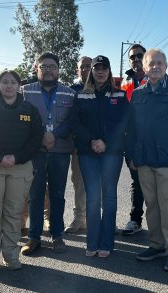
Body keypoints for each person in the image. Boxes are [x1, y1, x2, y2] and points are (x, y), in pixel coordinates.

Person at [127, 49, 168, 272]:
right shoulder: (138, 94)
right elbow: (133, 129)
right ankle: (156, 245)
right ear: (144, 68)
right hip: (144, 160)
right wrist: (133, 156)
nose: (155, 66)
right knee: (152, 205)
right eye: (151, 63)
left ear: (165, 66)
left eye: (159, 63)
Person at [0, 70, 43, 274]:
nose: (9, 85)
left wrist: (17, 158)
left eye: (13, 82)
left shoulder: (29, 109)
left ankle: (11, 255)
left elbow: (36, 138)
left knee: (13, 213)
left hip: (20, 167)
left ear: (19, 85)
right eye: (5, 82)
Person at [69, 55, 129, 258]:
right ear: (91, 71)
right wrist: (92, 141)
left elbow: (123, 123)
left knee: (109, 197)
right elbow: (75, 123)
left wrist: (106, 142)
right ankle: (92, 242)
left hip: (112, 153)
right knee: (93, 198)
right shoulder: (82, 95)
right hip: (88, 153)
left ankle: (107, 243)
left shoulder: (119, 95)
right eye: (97, 68)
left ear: (109, 71)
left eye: (104, 68)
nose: (100, 71)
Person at [21, 52, 75, 255]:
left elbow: (72, 120)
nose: (49, 70)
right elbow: (22, 118)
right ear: (36, 68)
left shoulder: (70, 93)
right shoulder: (25, 91)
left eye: (52, 66)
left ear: (59, 69)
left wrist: (55, 134)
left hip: (60, 151)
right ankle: (34, 237)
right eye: (44, 66)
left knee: (57, 194)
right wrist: (42, 135)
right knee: (34, 195)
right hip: (35, 150)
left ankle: (57, 235)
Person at [120, 44, 148, 236]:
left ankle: (161, 223)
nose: (136, 59)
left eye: (140, 56)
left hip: (153, 140)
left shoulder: (157, 77)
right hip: (131, 141)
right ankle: (135, 219)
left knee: (155, 183)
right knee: (136, 181)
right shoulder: (124, 82)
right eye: (133, 57)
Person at [65, 56, 92, 234]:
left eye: (89, 66)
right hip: (78, 146)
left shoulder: (103, 89)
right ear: (77, 70)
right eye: (82, 67)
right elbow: (69, 118)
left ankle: (100, 219)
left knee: (102, 185)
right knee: (79, 183)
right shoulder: (71, 91)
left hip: (100, 146)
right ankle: (80, 219)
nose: (85, 70)